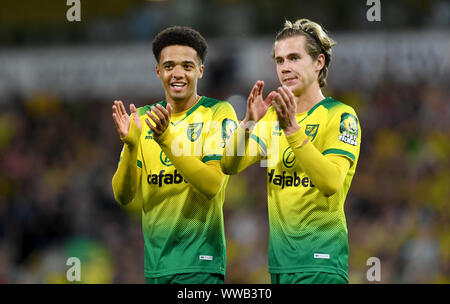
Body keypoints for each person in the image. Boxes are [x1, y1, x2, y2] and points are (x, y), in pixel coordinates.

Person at [221, 18, 361, 284]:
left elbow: (331, 182)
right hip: (279, 266)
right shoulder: (274, 117)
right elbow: (229, 165)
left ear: (319, 62)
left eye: (294, 58)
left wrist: (293, 130)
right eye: (280, 60)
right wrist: (248, 123)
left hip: (321, 263)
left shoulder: (341, 116)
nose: (285, 67)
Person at [111, 26, 238, 284]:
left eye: (187, 66)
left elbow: (212, 185)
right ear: (158, 71)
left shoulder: (219, 114)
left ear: (200, 71)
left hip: (200, 266)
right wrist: (132, 146)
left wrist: (166, 139)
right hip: (156, 267)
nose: (178, 74)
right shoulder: (142, 119)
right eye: (169, 66)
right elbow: (123, 196)